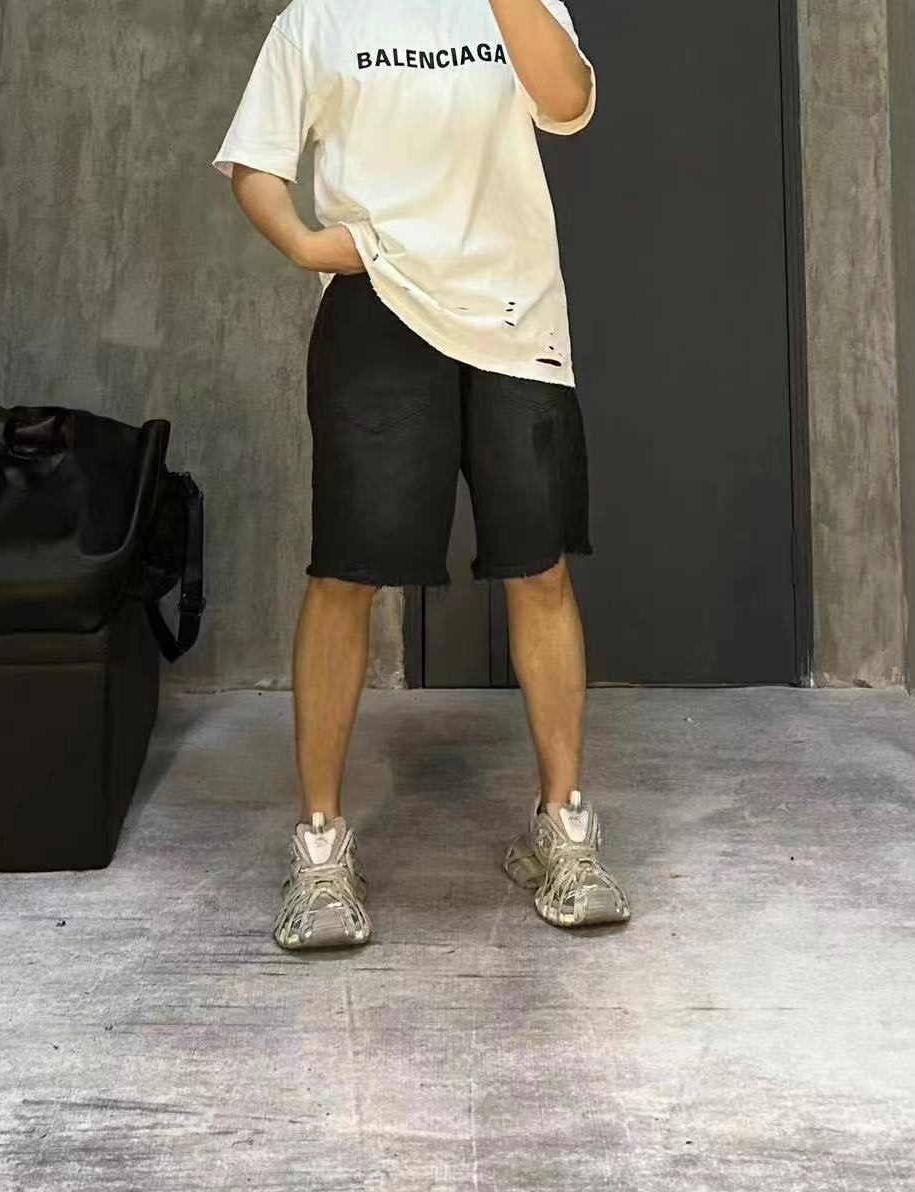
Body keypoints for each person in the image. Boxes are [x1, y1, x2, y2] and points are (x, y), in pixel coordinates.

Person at [212, 0, 630, 950]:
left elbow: (568, 104)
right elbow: (255, 164)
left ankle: (564, 833)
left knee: (541, 570)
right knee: (345, 575)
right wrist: (306, 246)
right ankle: (321, 851)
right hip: (378, 310)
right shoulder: (318, 16)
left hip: (515, 316)